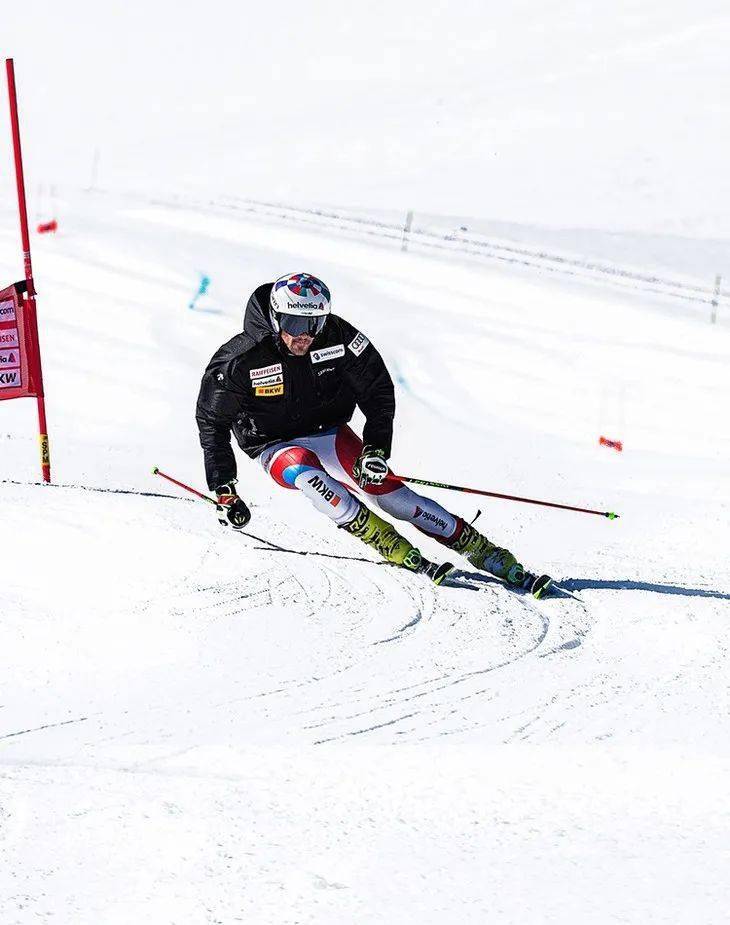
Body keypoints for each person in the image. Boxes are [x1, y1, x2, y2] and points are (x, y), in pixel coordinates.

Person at [196, 272, 551, 596]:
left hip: (328, 432)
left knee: (393, 496)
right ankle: (382, 538)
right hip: (274, 444)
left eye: (314, 322)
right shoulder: (241, 359)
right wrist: (224, 488)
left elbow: (378, 391)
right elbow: (212, 420)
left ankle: (482, 550)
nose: (304, 334)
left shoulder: (340, 338)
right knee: (306, 471)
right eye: (292, 322)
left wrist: (376, 450)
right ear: (275, 317)